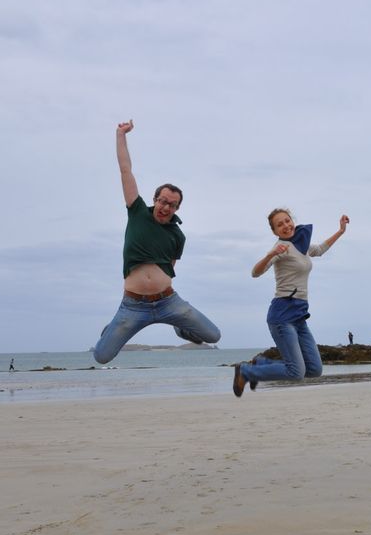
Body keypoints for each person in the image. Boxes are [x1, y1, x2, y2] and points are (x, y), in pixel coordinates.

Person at [92, 120, 221, 365]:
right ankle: (111, 329)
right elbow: (125, 170)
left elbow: (169, 267)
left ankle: (179, 327)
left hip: (168, 302)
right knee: (102, 356)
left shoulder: (177, 236)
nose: (165, 207)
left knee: (213, 334)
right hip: (133, 306)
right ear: (155, 199)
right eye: (162, 201)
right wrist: (120, 134)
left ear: (177, 207)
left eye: (171, 204)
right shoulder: (137, 212)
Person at [233, 209, 349, 396]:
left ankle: (261, 365)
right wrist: (270, 255)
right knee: (295, 372)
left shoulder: (299, 244)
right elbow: (255, 273)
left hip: (299, 317)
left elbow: (319, 250)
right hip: (282, 315)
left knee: (314, 370)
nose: (286, 226)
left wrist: (340, 231)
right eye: (280, 224)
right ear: (275, 231)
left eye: (287, 221)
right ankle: (246, 371)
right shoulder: (281, 248)